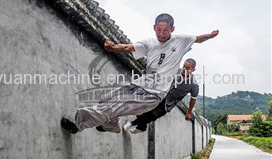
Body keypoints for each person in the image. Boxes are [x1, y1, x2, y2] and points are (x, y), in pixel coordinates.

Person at [61, 13, 219, 134]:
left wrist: (211, 36)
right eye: (159, 29)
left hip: (154, 94)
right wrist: (113, 47)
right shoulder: (149, 43)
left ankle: (77, 126)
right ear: (154, 27)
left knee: (114, 106)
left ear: (172, 29)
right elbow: (127, 48)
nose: (161, 34)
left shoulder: (180, 40)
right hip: (140, 84)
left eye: (165, 30)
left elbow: (198, 38)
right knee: (107, 99)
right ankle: (111, 125)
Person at [123, 58, 199, 134]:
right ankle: (141, 127)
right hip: (158, 95)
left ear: (193, 69)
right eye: (184, 66)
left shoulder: (194, 85)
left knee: (152, 115)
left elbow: (193, 99)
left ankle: (133, 124)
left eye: (187, 68)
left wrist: (188, 113)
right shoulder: (175, 71)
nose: (184, 69)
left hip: (167, 104)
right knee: (143, 109)